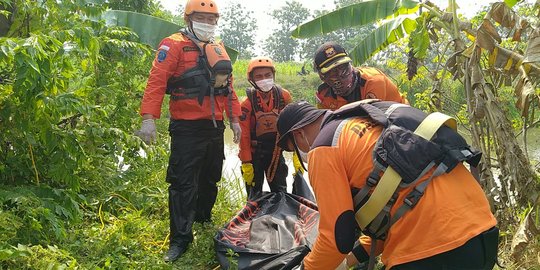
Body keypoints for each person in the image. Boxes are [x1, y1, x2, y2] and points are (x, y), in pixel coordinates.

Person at [276, 100, 499, 270]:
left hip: (431, 252)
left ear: (298, 135)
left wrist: (307, 267)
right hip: (483, 235)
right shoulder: (371, 118)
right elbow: (394, 210)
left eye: (291, 148)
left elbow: (336, 238)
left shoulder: (323, 148)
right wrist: (345, 263)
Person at [136, 0, 242, 263]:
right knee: (183, 184)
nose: (207, 23)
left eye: (211, 19)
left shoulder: (219, 49)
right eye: (201, 18)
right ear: (188, 19)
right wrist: (148, 119)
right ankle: (181, 238)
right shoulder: (172, 45)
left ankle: (203, 219)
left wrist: (236, 120)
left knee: (210, 178)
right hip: (187, 128)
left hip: (215, 127)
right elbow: (156, 82)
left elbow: (229, 88)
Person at [238, 56, 302, 199]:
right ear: (252, 80)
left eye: (268, 75)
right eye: (259, 76)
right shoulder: (247, 104)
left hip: (276, 152)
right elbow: (244, 135)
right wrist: (246, 162)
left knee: (280, 193)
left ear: (273, 75)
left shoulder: (284, 97)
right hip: (255, 154)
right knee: (254, 196)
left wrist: (297, 154)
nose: (264, 79)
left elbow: (293, 126)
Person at [313, 41, 408, 110]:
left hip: (401, 119)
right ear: (322, 77)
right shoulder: (324, 95)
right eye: (332, 72)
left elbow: (377, 120)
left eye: (344, 68)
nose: (340, 74)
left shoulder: (373, 81)